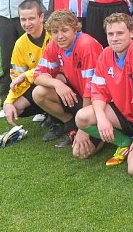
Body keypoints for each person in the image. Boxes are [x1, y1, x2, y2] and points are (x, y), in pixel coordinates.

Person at [75, 13, 133, 176]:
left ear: (131, 33)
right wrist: (102, 118)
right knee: (82, 117)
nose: (114, 38)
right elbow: (97, 92)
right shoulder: (106, 54)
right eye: (110, 34)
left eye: (120, 33)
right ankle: (124, 142)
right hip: (125, 116)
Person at [32, 10, 102, 149]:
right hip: (80, 98)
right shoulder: (54, 45)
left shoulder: (86, 45)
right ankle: (71, 125)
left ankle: (104, 131)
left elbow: (92, 89)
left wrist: (84, 129)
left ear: (75, 29)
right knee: (39, 93)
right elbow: (37, 75)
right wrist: (57, 83)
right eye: (54, 32)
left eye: (64, 30)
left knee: (82, 152)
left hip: (99, 102)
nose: (60, 36)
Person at [1, 0, 50, 126]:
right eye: (23, 19)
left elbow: (55, 69)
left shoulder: (54, 35)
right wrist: (8, 102)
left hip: (58, 81)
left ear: (41, 17)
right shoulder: (20, 44)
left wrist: (27, 75)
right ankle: (47, 112)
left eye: (31, 18)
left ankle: (61, 119)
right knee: (16, 107)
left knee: (45, 86)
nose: (27, 23)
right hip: (35, 83)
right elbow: (17, 77)